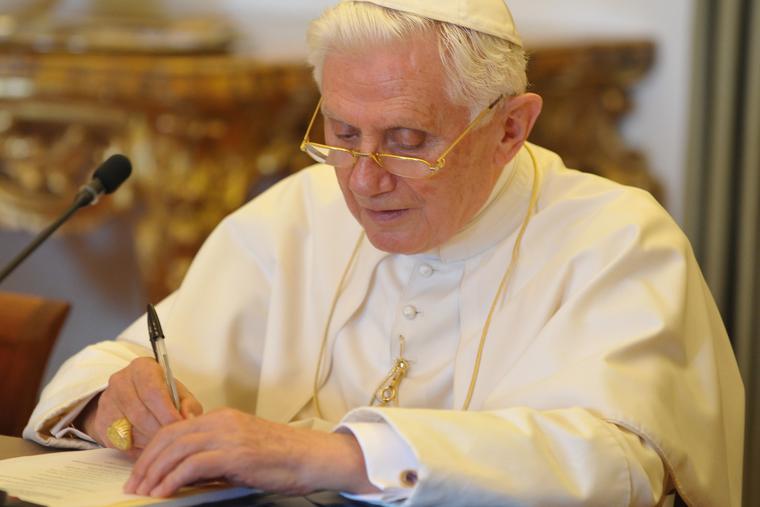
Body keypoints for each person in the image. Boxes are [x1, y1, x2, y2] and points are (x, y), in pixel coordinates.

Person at [25, 0, 743, 505]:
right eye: (342, 132)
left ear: (510, 128)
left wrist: (332, 456)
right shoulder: (301, 212)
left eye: (406, 140)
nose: (364, 180)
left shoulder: (617, 237)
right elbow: (120, 368)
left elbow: (618, 467)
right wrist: (113, 404)